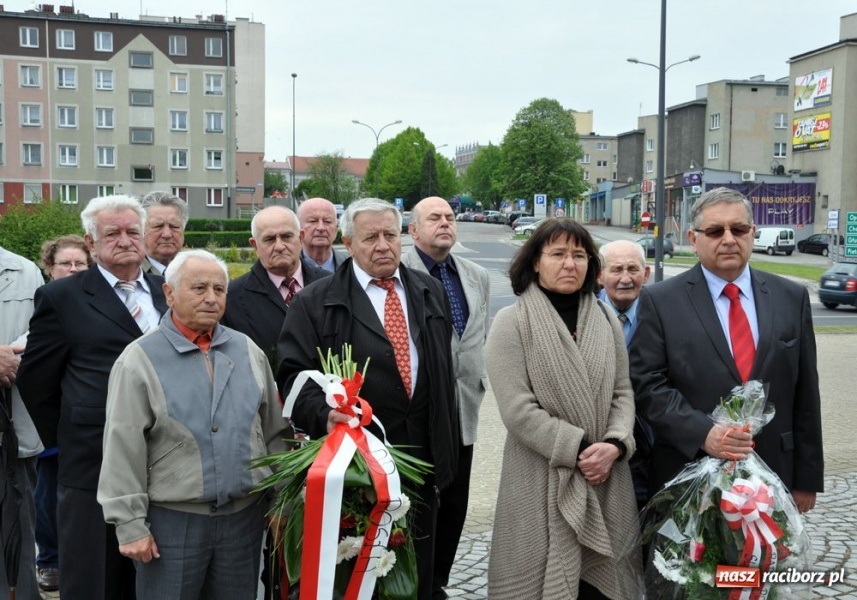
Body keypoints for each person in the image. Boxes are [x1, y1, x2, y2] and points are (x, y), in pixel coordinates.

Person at [277, 198, 458, 600]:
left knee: (419, 576)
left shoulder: (428, 291)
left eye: (390, 235)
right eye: (371, 237)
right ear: (348, 242)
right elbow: (291, 377)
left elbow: (442, 373)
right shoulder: (315, 302)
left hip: (423, 461)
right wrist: (323, 415)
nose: (383, 246)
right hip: (359, 470)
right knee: (364, 579)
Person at [97, 250, 288, 600]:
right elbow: (122, 447)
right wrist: (130, 525)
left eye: (219, 288)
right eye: (199, 288)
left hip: (243, 519)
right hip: (173, 522)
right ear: (169, 294)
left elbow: (275, 432)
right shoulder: (139, 359)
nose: (211, 298)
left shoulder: (247, 350)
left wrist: (281, 502)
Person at [629, 187, 823, 513]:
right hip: (690, 478)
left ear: (753, 233)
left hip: (774, 475)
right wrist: (704, 433)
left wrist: (807, 478)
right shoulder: (661, 301)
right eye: (716, 231)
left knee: (760, 566)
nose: (729, 239)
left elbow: (806, 393)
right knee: (699, 566)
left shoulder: (791, 297)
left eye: (739, 229)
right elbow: (647, 384)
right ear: (693, 239)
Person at [19, 194, 168, 600]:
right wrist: (70, 437)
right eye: (112, 233)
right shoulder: (62, 297)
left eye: (133, 232)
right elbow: (36, 381)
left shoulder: (166, 292)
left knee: (157, 577)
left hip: (166, 463)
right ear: (91, 240)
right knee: (96, 580)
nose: (125, 240)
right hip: (91, 465)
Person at [485, 218, 640, 599]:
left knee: (601, 589)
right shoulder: (511, 322)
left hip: (606, 475)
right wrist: (583, 447)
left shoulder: (606, 318)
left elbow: (623, 391)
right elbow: (518, 409)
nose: (570, 263)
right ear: (536, 262)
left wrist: (616, 445)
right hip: (540, 477)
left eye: (579, 255)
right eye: (557, 254)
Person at [400, 196, 489, 600]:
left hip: (466, 411)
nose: (445, 223)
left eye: (450, 217)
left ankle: (439, 582)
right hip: (420, 414)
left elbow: (476, 340)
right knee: (418, 505)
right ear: (413, 230)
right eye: (434, 217)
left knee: (455, 505)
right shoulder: (401, 274)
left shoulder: (475, 275)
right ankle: (416, 582)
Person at [32, 235, 93, 593]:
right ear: (49, 269)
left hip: (82, 420)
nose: (72, 269)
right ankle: (50, 559)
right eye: (64, 264)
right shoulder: (47, 300)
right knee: (48, 492)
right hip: (53, 417)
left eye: (79, 264)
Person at [221, 206, 329, 363]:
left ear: (300, 238)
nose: (279, 246)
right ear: (255, 246)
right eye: (269, 239)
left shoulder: (332, 286)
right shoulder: (232, 299)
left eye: (286, 236)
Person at [0, 245, 46, 600]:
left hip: (12, 431)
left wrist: (11, 354)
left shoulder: (23, 270)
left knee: (19, 536)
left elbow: (43, 331)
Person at [598, 240, 653, 509]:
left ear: (646, 274)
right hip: (598, 441)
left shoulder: (664, 313)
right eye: (616, 269)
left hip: (651, 443)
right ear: (599, 275)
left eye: (633, 269)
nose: (625, 278)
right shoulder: (581, 312)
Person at [140, 191, 189, 276]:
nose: (167, 234)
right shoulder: (131, 274)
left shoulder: (198, 271)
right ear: (142, 230)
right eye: (158, 226)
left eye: (174, 226)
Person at [297, 197, 348, 272]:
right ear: (299, 228)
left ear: (336, 229)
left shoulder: (352, 266)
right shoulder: (287, 267)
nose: (321, 228)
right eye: (313, 221)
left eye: (327, 221)